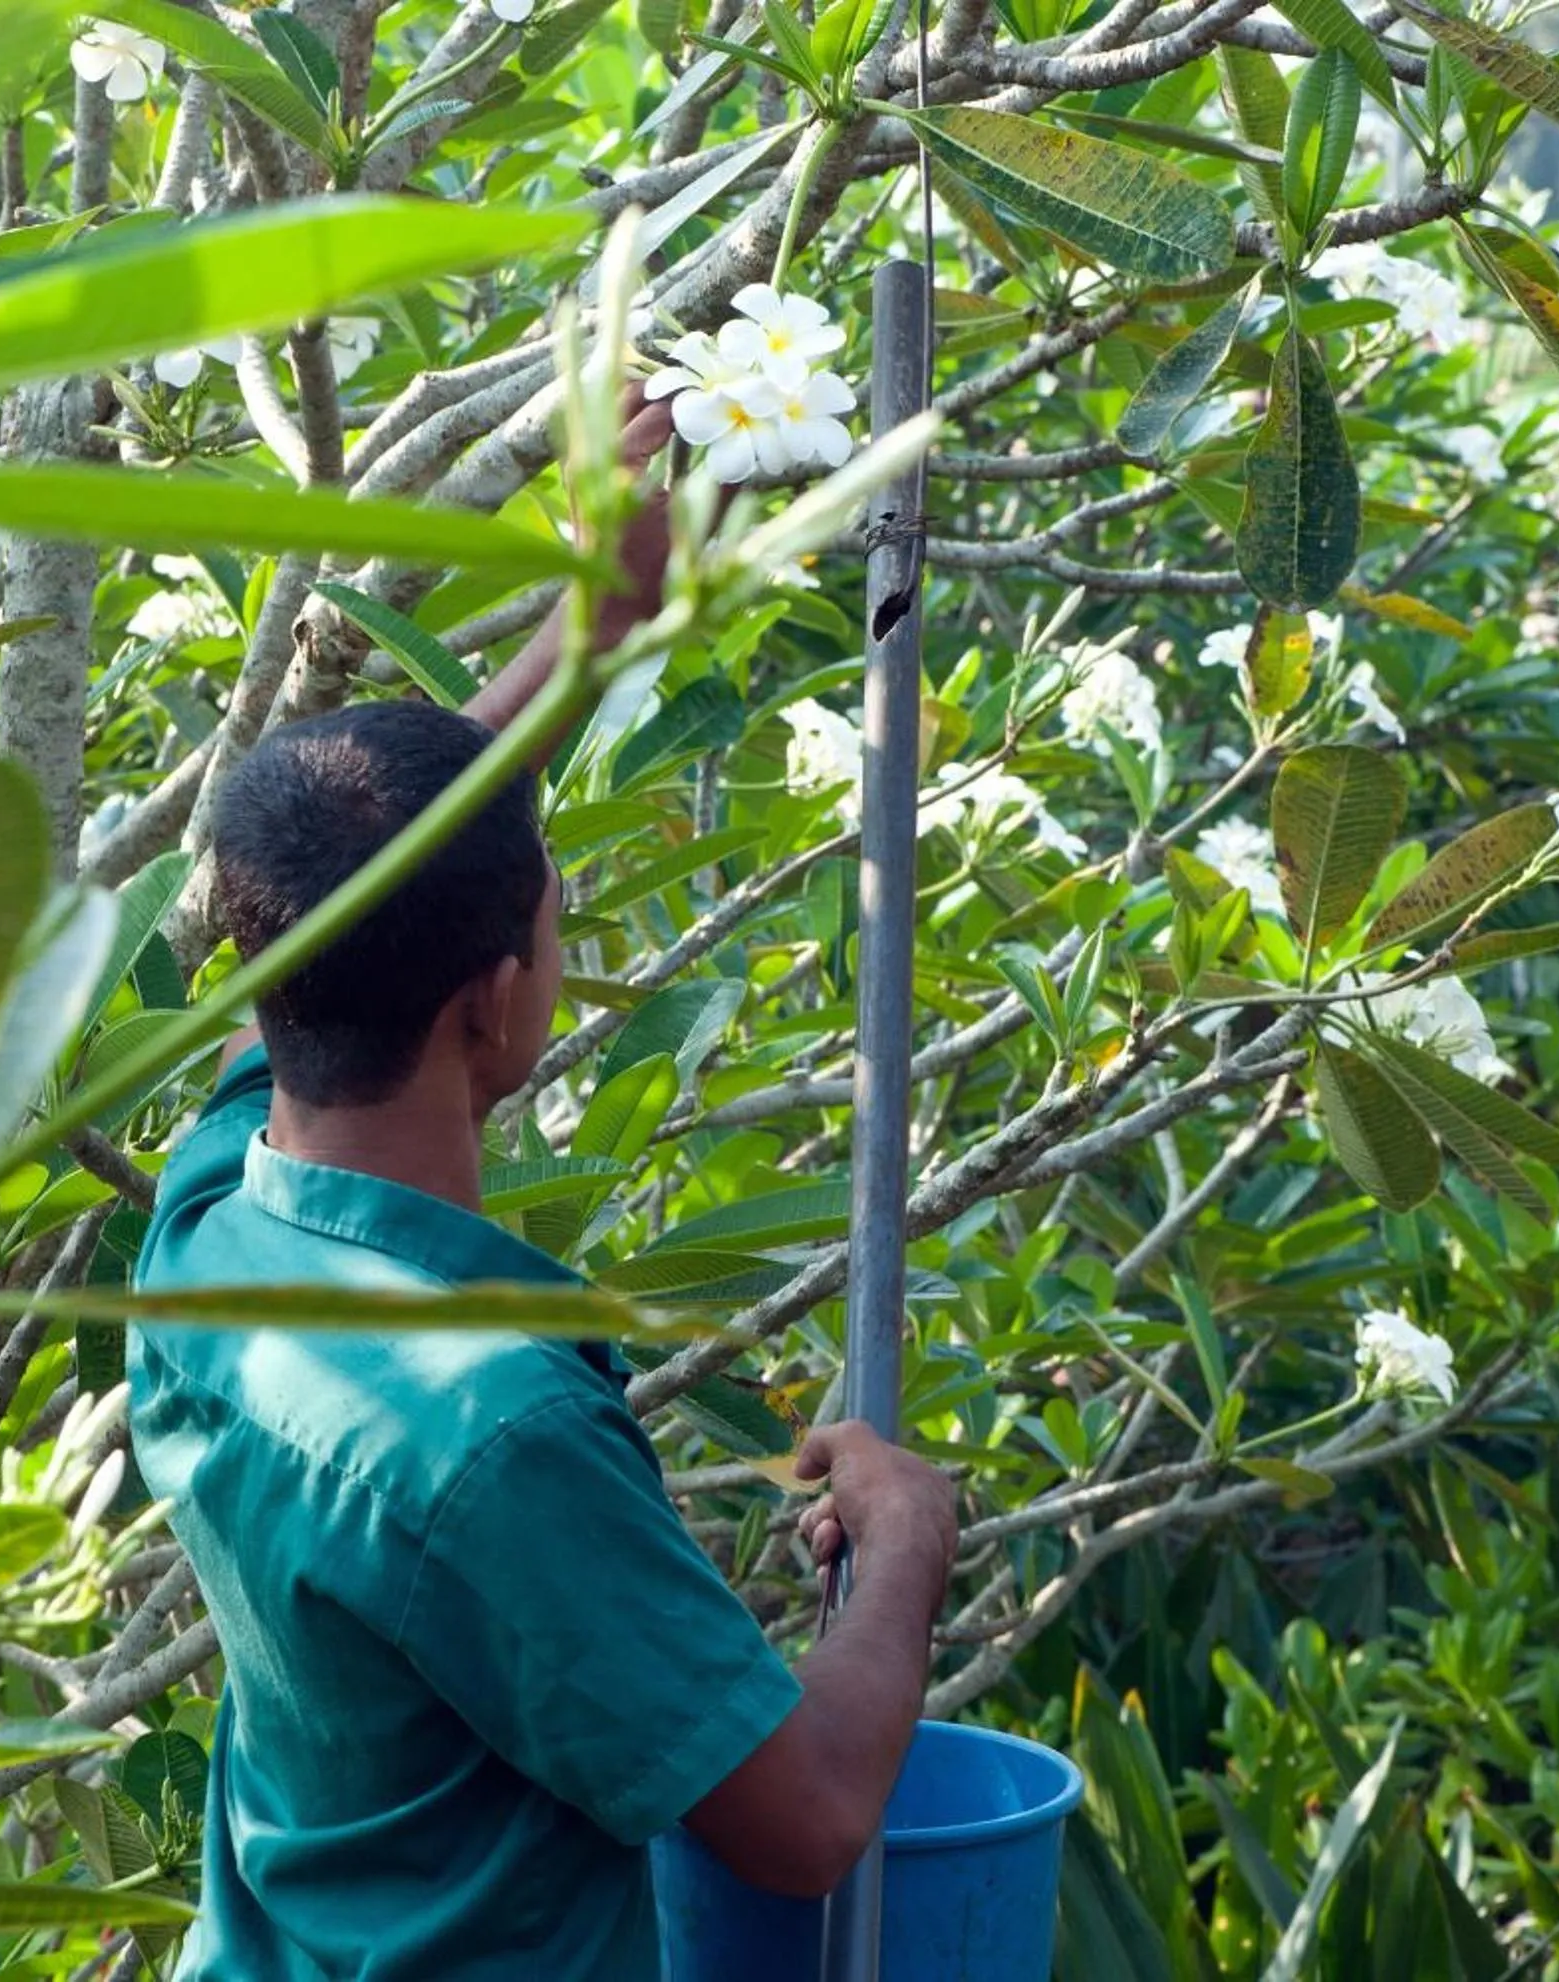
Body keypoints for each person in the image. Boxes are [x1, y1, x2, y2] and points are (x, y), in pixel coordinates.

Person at [125, 397, 959, 1980]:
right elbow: (804, 1814)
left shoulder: (206, 1226)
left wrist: (590, 640)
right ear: (495, 1002)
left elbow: (351, 897)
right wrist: (904, 1539)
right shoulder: (491, 1432)